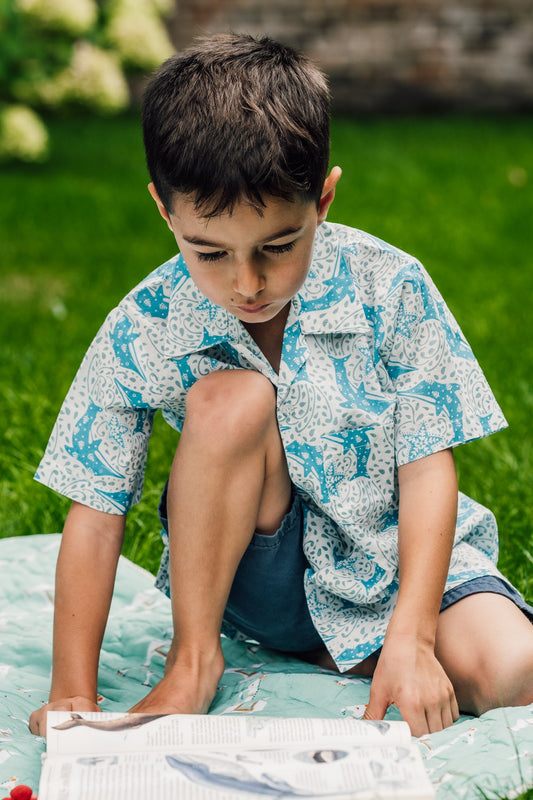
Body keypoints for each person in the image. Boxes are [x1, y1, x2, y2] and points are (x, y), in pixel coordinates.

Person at [29, 33, 533, 739]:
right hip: (256, 583)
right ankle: (194, 663)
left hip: (399, 570)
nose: (246, 283)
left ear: (322, 198)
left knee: (518, 671)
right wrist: (71, 693)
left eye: (276, 246)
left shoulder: (390, 286)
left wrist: (413, 637)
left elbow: (426, 467)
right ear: (163, 210)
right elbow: (95, 511)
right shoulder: (142, 325)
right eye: (209, 252)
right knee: (231, 397)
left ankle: (380, 651)